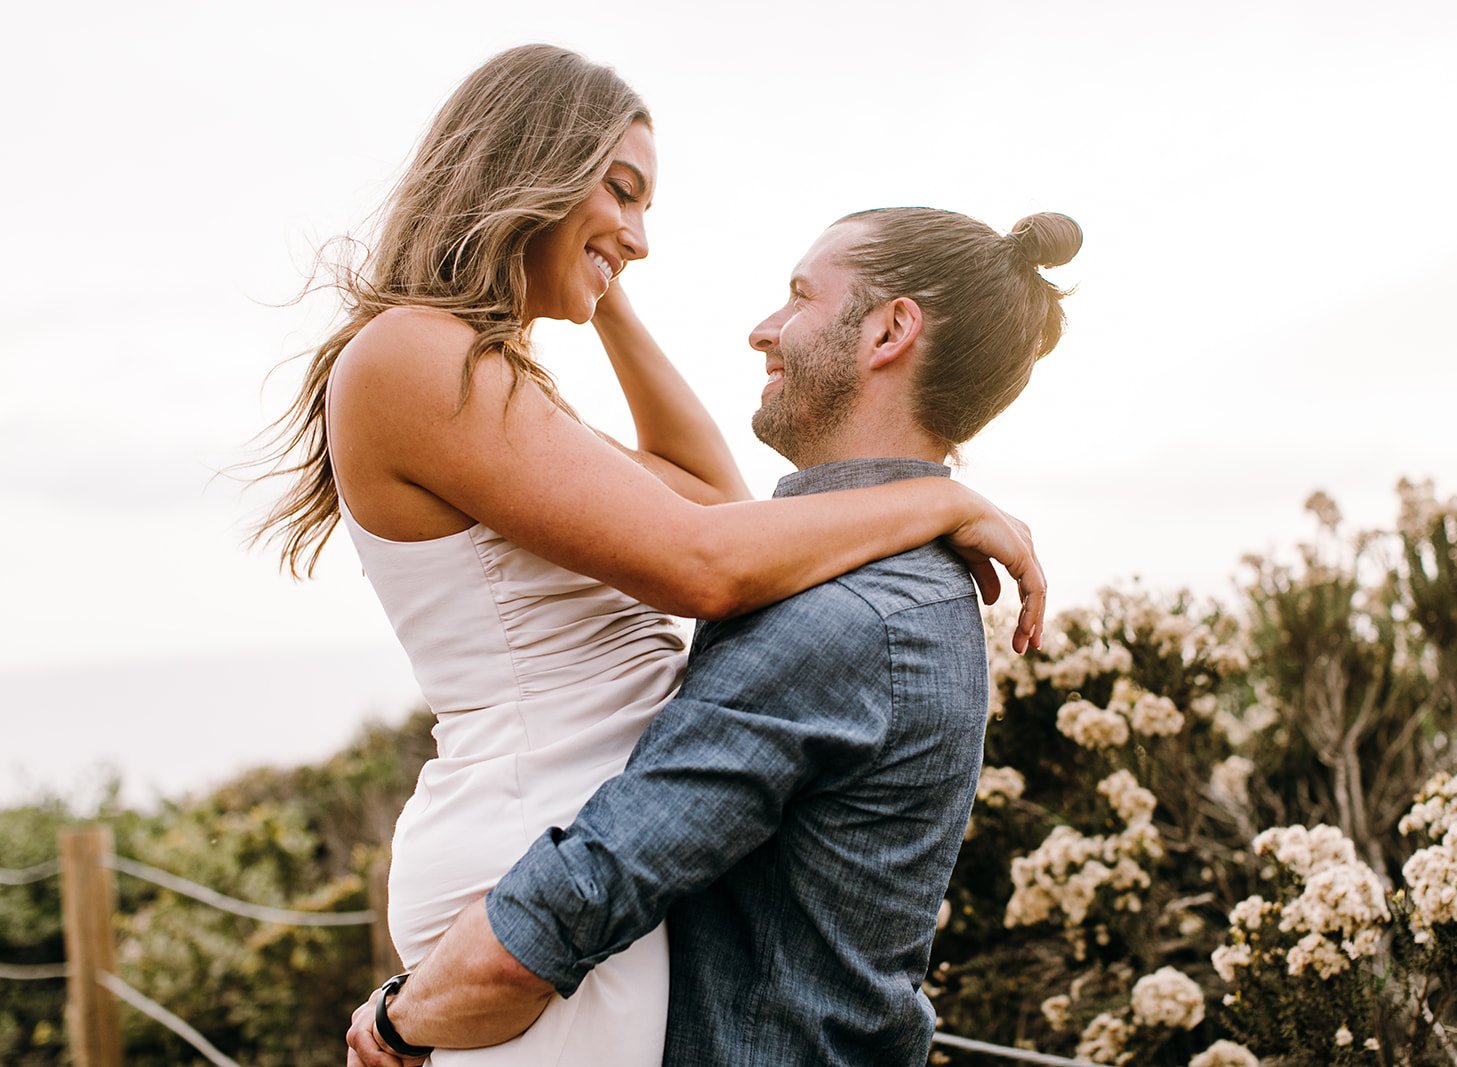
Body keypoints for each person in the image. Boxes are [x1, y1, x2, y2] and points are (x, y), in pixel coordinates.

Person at [251, 44, 1047, 1067]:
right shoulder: (416, 353)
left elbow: (708, 493)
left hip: (563, 845)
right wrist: (938, 497)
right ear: (524, 167)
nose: (639, 235)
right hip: (533, 849)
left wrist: (600, 276)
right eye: (621, 193)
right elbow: (705, 559)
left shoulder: (490, 378)